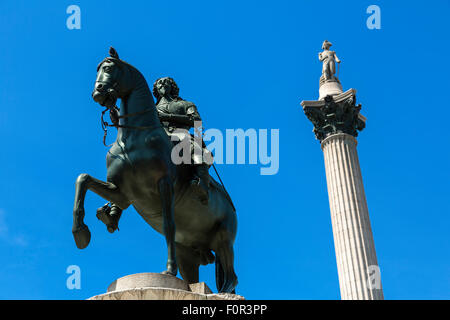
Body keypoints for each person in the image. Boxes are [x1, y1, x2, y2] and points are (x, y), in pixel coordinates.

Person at [153, 77, 213, 205]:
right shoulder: (150, 109)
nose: (162, 83)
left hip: (180, 135)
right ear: (156, 89)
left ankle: (202, 186)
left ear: (172, 87)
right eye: (159, 82)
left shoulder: (186, 104)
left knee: (196, 151)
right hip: (158, 135)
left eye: (166, 82)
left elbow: (196, 121)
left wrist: (167, 117)